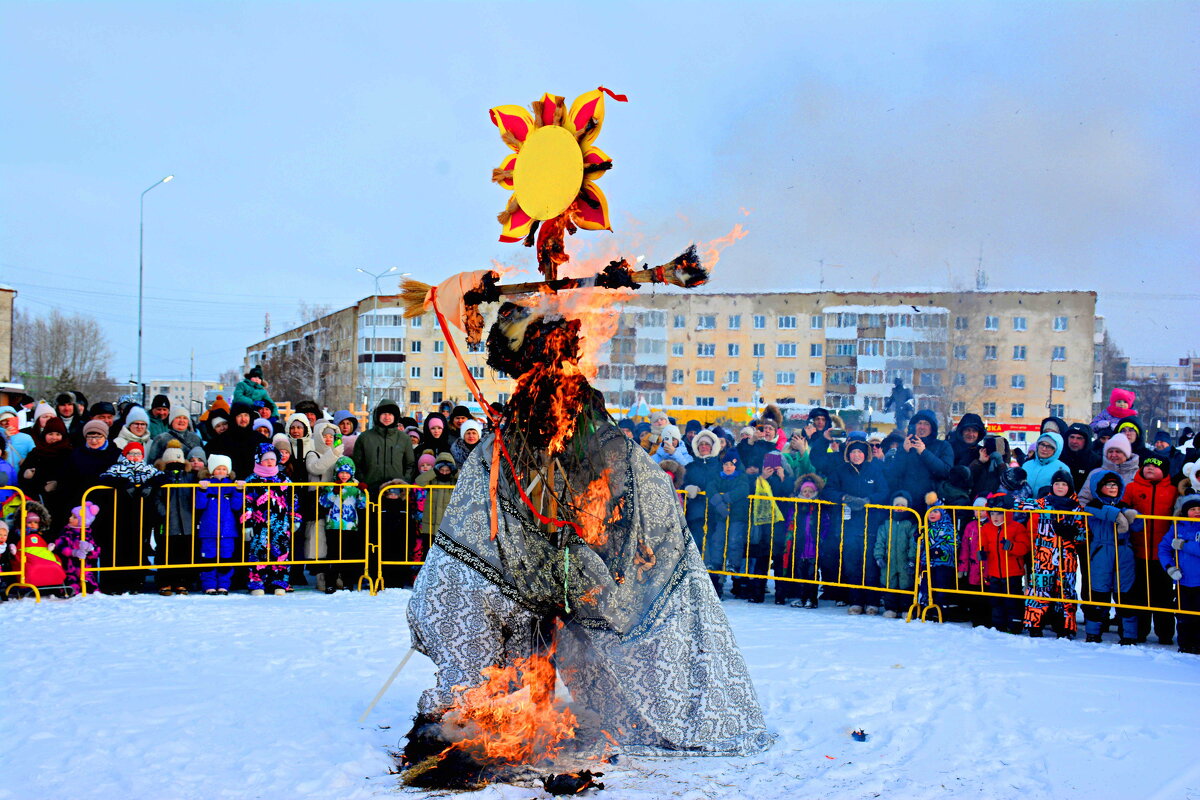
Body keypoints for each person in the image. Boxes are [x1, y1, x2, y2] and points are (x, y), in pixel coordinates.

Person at [821, 439, 890, 613]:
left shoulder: (875, 470)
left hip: (871, 523)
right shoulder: (840, 471)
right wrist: (845, 497)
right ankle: (855, 601)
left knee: (871, 564)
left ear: (865, 454)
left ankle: (872, 601)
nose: (856, 455)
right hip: (848, 525)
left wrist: (869, 500)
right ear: (848, 455)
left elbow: (884, 491)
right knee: (852, 563)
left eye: (859, 452)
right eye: (853, 452)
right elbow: (828, 491)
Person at [1123, 453, 1179, 644]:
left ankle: (1165, 633)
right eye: (1147, 465)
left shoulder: (1172, 491)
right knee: (1139, 594)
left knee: (1163, 595)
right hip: (1138, 551)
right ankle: (1140, 631)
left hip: (1163, 555)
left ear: (1163, 471)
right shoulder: (1131, 488)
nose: (1150, 468)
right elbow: (1123, 508)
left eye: (1155, 466)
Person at [95, 442, 165, 594]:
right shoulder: (117, 468)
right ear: (125, 455)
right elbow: (104, 478)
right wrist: (124, 484)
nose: (134, 457)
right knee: (119, 547)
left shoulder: (147, 468)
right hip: (119, 514)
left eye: (138, 454)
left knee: (138, 547)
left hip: (141, 515)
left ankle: (135, 583)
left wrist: (150, 485)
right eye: (131, 454)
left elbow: (161, 477)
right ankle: (115, 583)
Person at [1022, 470, 1084, 639]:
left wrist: (1072, 533)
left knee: (1066, 591)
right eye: (1057, 484)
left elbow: (1083, 536)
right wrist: (1003, 501)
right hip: (1044, 556)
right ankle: (1034, 625)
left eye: (1064, 484)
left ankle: (1066, 627)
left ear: (1069, 487)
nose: (1060, 487)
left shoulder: (1077, 508)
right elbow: (1024, 504)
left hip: (1067, 558)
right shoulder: (1044, 503)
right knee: (1039, 589)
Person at [1081, 470, 1140, 644]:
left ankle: (1128, 634)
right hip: (1102, 552)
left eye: (1115, 484)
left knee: (1125, 594)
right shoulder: (1094, 505)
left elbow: (1137, 527)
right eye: (1108, 485)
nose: (1112, 487)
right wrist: (1118, 516)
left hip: (1124, 553)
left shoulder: (1124, 505)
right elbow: (1097, 510)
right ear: (1099, 487)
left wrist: (1133, 516)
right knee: (1099, 592)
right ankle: (1093, 632)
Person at [242, 444, 299, 596]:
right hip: (259, 524)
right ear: (259, 460)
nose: (269, 462)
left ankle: (278, 582)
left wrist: (295, 518)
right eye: (266, 459)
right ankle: (257, 582)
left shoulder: (283, 479)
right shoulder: (252, 480)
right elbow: (246, 501)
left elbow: (293, 499)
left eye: (272, 459)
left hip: (280, 523)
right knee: (258, 551)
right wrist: (246, 523)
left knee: (280, 552)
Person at [776, 474, 829, 608]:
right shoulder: (795, 505)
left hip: (813, 543)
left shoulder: (819, 505)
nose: (807, 494)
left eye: (810, 491)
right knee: (799, 571)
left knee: (812, 572)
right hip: (799, 543)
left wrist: (822, 537)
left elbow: (825, 523)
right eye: (805, 491)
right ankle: (802, 597)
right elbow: (790, 520)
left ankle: (812, 598)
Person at [194, 455, 245, 596]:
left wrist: (239, 491)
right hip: (208, 530)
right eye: (218, 469)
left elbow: (236, 506)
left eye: (224, 469)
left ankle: (223, 585)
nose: (221, 472)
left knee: (226, 557)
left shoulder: (232, 486)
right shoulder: (205, 484)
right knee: (208, 558)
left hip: (228, 531)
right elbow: (199, 505)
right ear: (212, 471)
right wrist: (202, 491)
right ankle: (209, 585)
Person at [978, 498, 1031, 634]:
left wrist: (1012, 546)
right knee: (996, 600)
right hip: (994, 572)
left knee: (1012, 599)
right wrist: (982, 553)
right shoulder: (986, 528)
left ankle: (1015, 624)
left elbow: (1024, 548)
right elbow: (983, 545)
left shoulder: (1017, 527)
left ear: (1006, 513)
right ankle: (998, 624)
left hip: (1012, 572)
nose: (995, 517)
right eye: (993, 513)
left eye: (999, 513)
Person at [705, 449, 752, 600]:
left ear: (736, 466)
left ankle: (734, 563)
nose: (728, 467)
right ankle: (716, 563)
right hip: (721, 516)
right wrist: (718, 503)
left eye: (731, 465)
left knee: (734, 540)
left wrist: (726, 497)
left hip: (737, 516)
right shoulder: (718, 478)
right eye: (725, 464)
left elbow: (743, 490)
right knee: (718, 539)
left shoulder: (741, 477)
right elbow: (710, 488)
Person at [887, 409, 953, 514]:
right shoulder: (905, 446)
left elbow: (945, 471)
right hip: (907, 504)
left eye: (926, 424)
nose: (922, 427)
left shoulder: (943, 446)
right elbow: (893, 475)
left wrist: (924, 452)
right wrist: (903, 452)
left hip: (932, 505)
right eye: (919, 423)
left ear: (932, 428)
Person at [317, 457, 367, 592]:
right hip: (333, 525)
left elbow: (362, 505)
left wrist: (362, 492)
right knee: (333, 554)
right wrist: (333, 492)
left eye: (347, 472)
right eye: (341, 472)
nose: (344, 475)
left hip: (350, 526)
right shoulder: (330, 486)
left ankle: (347, 582)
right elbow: (324, 503)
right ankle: (330, 583)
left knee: (348, 554)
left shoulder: (355, 487)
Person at [1159, 495, 1200, 654]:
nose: (1196, 512)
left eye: (1199, 509)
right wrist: (1170, 567)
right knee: (1183, 615)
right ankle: (1185, 644)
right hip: (1183, 582)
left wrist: (1185, 545)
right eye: (1192, 509)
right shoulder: (1177, 527)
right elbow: (1164, 548)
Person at [18, 417, 73, 533]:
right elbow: (22, 477)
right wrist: (26, 475)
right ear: (44, 434)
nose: (54, 437)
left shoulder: (69, 453)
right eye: (50, 434)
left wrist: (58, 485)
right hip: (38, 503)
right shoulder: (36, 452)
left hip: (60, 505)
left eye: (58, 434)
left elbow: (73, 477)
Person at [353, 400, 416, 493]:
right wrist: (364, 482)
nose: (387, 417)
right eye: (384, 414)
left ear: (395, 416)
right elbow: (356, 465)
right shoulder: (365, 438)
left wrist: (404, 482)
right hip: (370, 490)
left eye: (390, 414)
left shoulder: (404, 438)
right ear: (378, 415)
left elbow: (410, 464)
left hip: (396, 492)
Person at [52, 501, 101, 595]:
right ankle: (71, 591)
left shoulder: (88, 534)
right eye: (71, 516)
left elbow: (96, 552)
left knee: (91, 586)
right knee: (71, 585)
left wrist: (90, 549)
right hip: (69, 566)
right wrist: (73, 552)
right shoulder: (67, 532)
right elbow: (60, 545)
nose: (70, 518)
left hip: (85, 568)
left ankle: (91, 592)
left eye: (74, 517)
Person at [1078, 434, 1139, 505]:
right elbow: (1083, 498)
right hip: (1098, 515)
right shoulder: (1096, 473)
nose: (1113, 455)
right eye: (1110, 451)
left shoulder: (1137, 475)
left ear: (1126, 454)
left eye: (1118, 452)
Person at [956, 499, 990, 627]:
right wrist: (962, 567)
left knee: (987, 591)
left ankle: (988, 618)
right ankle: (976, 618)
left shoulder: (991, 524)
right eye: (977, 510)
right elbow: (965, 547)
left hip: (988, 566)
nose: (980, 512)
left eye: (983, 509)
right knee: (975, 592)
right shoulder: (970, 526)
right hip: (973, 566)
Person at [414, 453, 458, 544]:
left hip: (447, 525)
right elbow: (419, 481)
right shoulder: (432, 479)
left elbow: (466, 481)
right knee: (427, 550)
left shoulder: (454, 481)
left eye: (447, 470)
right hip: (430, 524)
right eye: (441, 470)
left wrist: (456, 472)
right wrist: (433, 471)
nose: (444, 473)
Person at [1061, 423, 1099, 494]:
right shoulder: (1060, 457)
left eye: (1079, 438)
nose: (1074, 441)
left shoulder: (1095, 461)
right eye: (1072, 437)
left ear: (1086, 440)